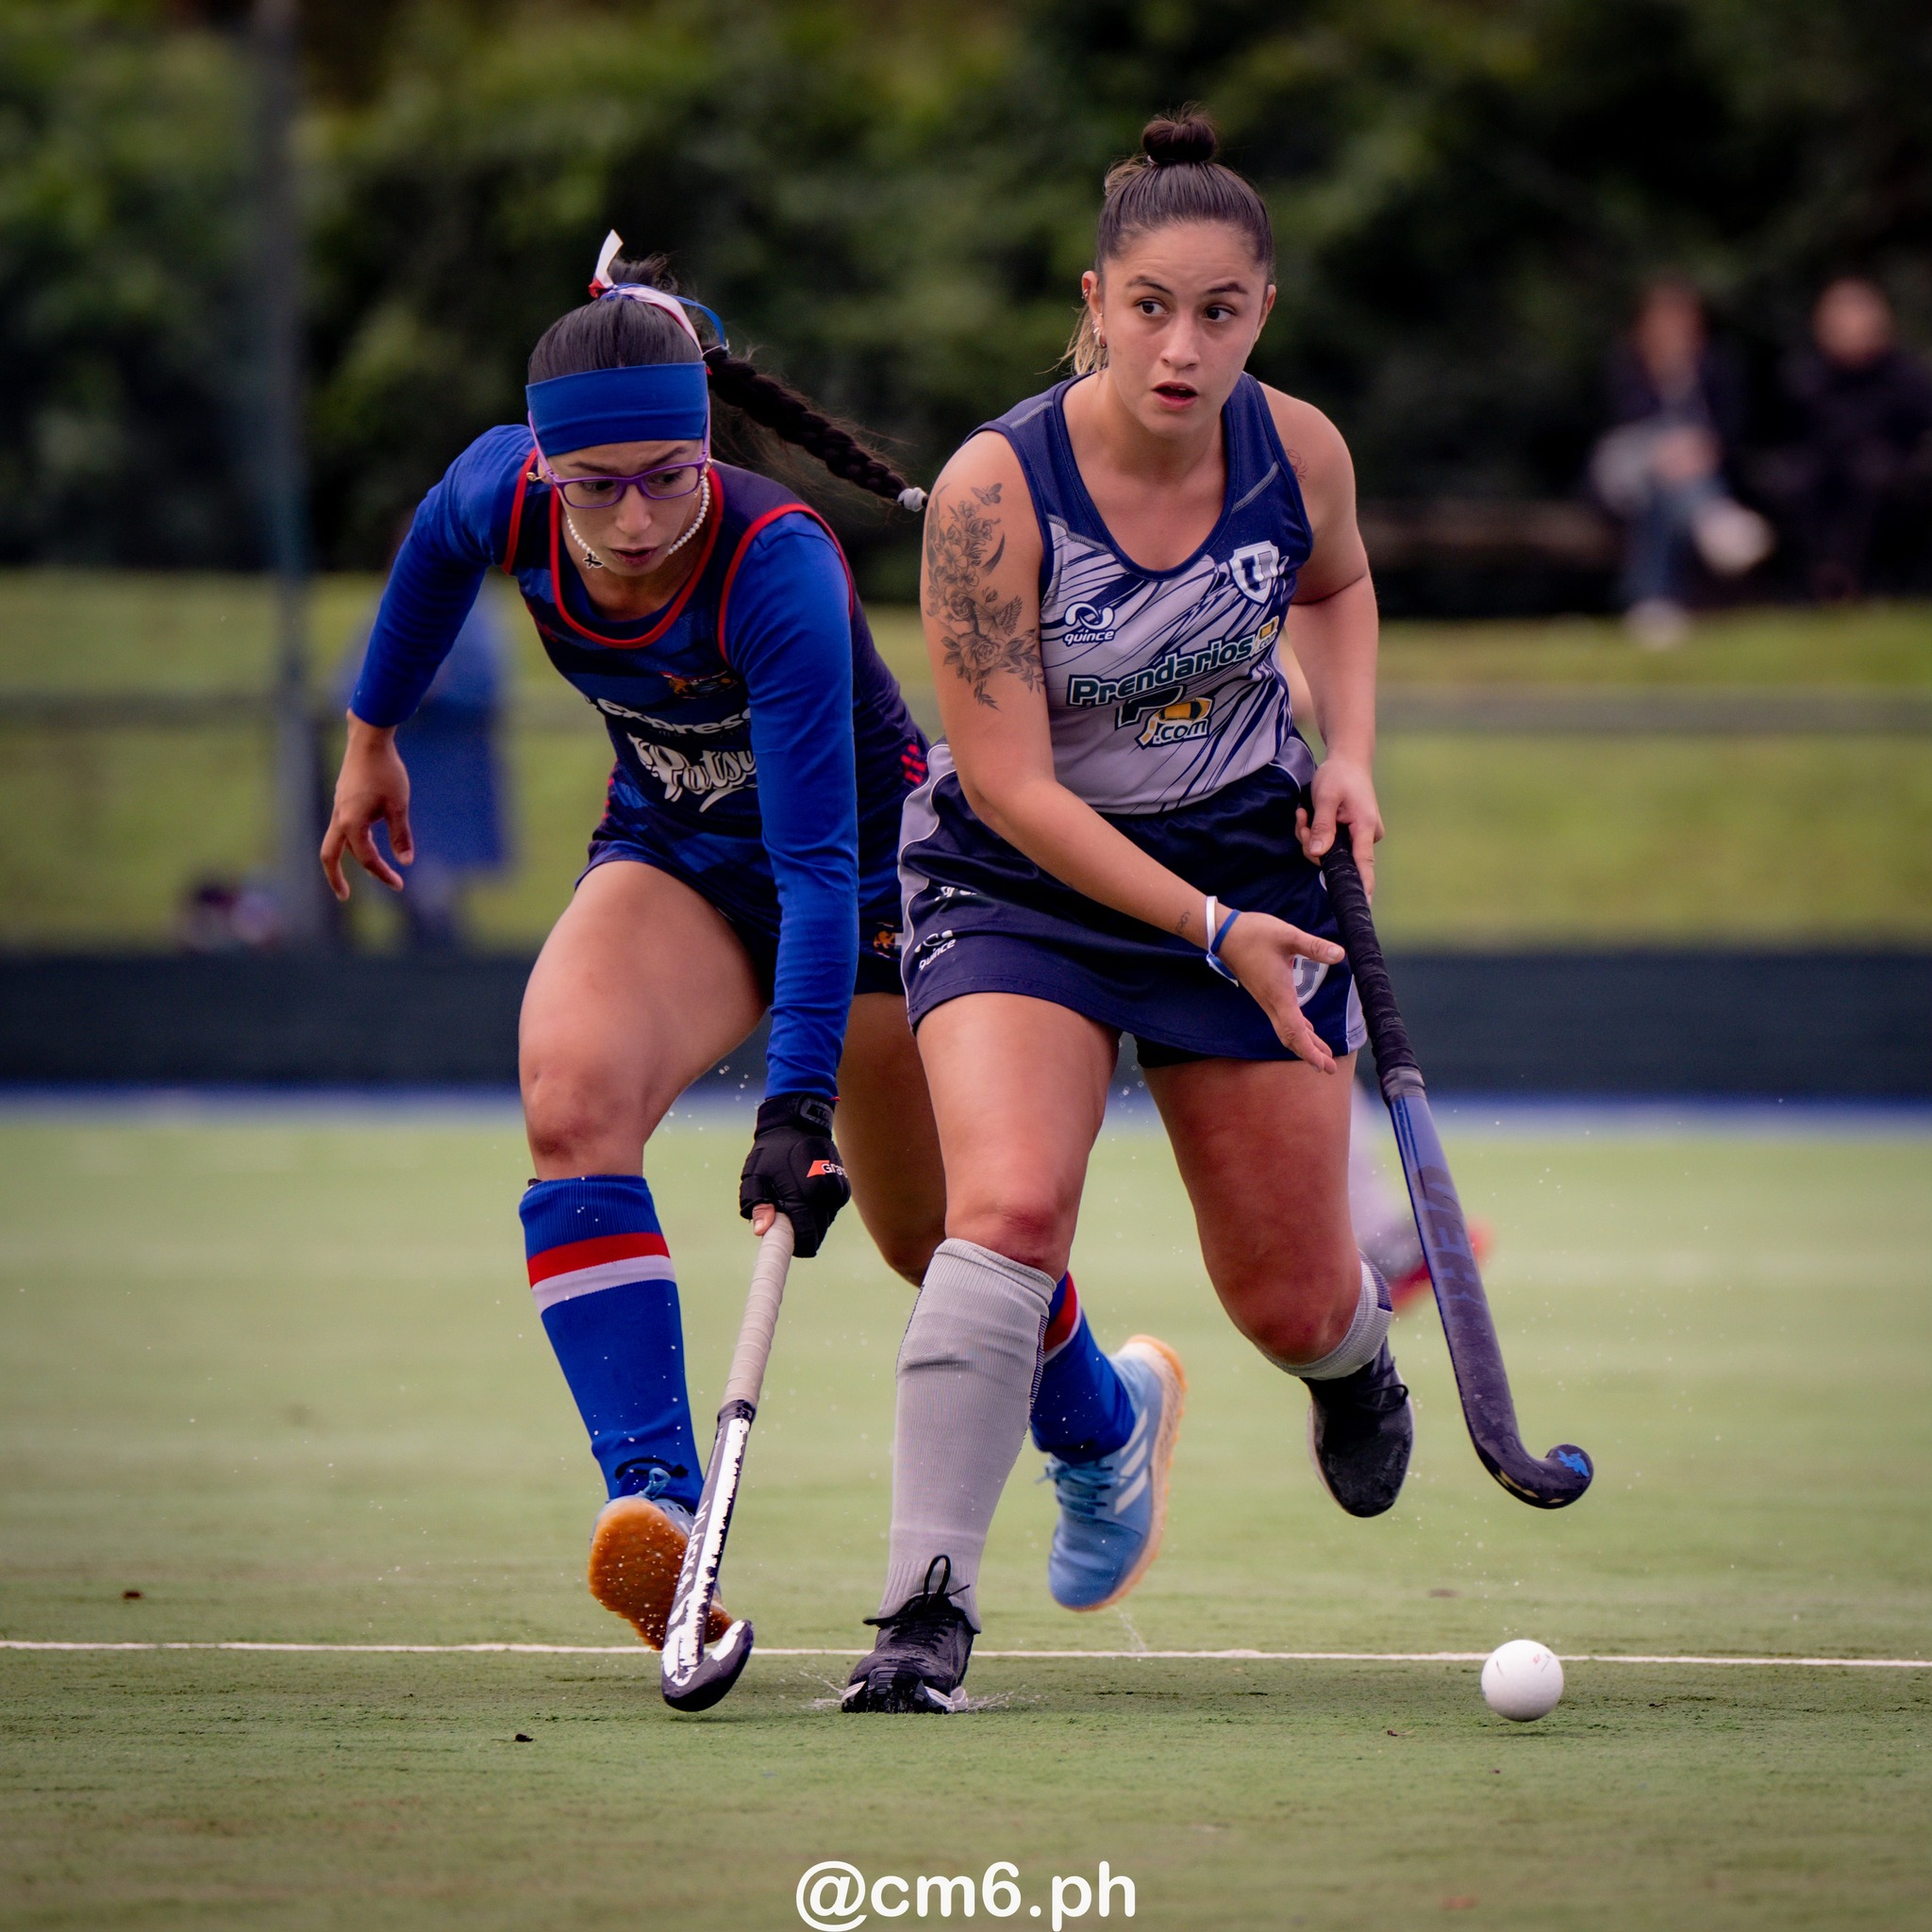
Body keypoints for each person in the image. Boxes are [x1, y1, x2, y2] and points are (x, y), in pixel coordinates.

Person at [321, 234, 1149, 1655]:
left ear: (707, 451)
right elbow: (427, 560)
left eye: (668, 477)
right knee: (569, 1094)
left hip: (882, 889)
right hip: (680, 856)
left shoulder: (777, 569)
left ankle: (1104, 1433)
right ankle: (661, 1518)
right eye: (598, 487)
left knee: (934, 1241)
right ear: (545, 465)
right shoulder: (500, 491)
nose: (636, 517)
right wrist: (370, 740)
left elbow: (822, 871)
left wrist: (796, 1102)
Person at [843, 115, 1410, 1715]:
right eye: (1148, 306)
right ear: (1093, 301)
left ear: (1261, 314)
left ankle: (1351, 1361)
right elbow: (1015, 787)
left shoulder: (1296, 451)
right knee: (1006, 1210)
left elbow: (1339, 585)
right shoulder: (987, 493)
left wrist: (1349, 752)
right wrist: (1202, 925)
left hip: (1244, 856)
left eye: (1217, 311)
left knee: (1288, 1299)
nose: (1180, 343)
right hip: (1020, 881)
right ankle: (922, 1608)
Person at [336, 558, 510, 949]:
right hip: (396, 778)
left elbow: (488, 686)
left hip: (451, 780)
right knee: (403, 893)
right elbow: (345, 688)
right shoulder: (385, 611)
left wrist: (436, 690)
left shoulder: (476, 614)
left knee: (437, 894)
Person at [1590, 278, 1772, 648]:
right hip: (1624, 476)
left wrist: (1701, 448)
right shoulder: (1624, 368)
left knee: (1668, 488)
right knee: (1663, 466)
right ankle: (1713, 520)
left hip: (1688, 478)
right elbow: (1620, 435)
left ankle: (1652, 603)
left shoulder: (1717, 369)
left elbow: (1731, 432)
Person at [1768, 276, 1932, 602]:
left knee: (1872, 479)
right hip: (1824, 468)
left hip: (1889, 470)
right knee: (1794, 485)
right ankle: (1814, 583)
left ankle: (1861, 580)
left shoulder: (1907, 375)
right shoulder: (1805, 377)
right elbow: (1788, 437)